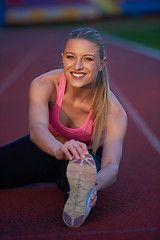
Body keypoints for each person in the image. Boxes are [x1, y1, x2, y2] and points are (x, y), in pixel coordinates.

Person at [0, 27, 127, 227]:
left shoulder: (114, 111)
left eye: (88, 59)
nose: (77, 66)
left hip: (80, 160)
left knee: (80, 176)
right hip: (45, 148)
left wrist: (94, 185)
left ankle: (79, 194)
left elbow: (112, 165)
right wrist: (58, 149)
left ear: (101, 64)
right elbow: (37, 129)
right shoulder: (44, 84)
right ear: (62, 58)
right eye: (70, 57)